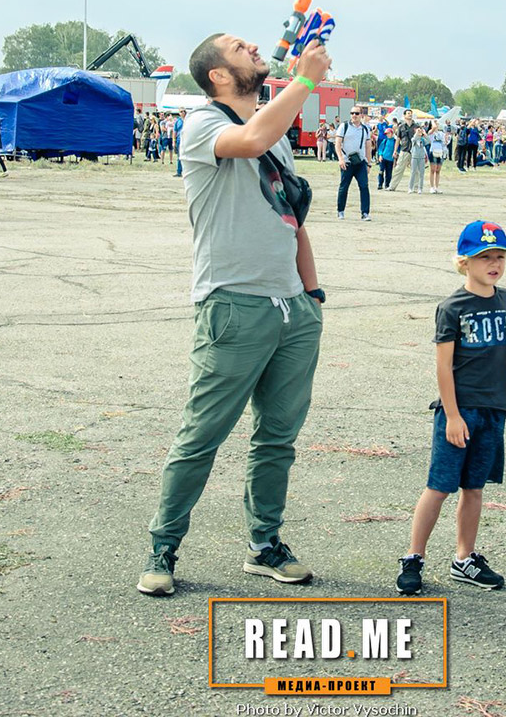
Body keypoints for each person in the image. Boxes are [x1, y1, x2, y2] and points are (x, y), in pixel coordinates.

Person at [136, 32, 330, 597]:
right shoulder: (202, 123)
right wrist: (306, 79)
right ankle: (162, 548)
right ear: (218, 75)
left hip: (292, 308)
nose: (253, 48)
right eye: (239, 47)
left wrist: (311, 296)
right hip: (233, 304)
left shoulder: (274, 132)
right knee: (202, 435)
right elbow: (250, 139)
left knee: (277, 439)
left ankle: (265, 545)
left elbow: (292, 218)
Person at [396, 220, 506, 595]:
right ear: (464, 262)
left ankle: (464, 558)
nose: (494, 264)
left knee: (475, 487)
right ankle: (414, 557)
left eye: (499, 257)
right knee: (439, 487)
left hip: (493, 409)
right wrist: (452, 415)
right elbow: (443, 364)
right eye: (484, 257)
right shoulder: (453, 307)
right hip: (460, 411)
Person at [334, 107, 372, 221]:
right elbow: (337, 144)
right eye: (352, 113)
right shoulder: (344, 126)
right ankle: (340, 211)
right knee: (344, 187)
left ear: (361, 115)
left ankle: (365, 213)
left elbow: (368, 146)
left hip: (361, 162)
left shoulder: (365, 129)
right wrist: (340, 159)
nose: (354, 115)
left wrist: (368, 163)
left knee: (364, 186)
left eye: (356, 113)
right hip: (347, 162)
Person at [387, 114, 415, 191]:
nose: (410, 114)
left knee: (416, 170)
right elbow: (398, 139)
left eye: (411, 113)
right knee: (398, 168)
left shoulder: (416, 126)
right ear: (404, 115)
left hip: (414, 150)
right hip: (404, 149)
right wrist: (395, 151)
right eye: (408, 113)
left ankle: (415, 188)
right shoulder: (401, 127)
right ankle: (392, 186)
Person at [375, 121, 397, 191]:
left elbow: (397, 150)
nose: (387, 135)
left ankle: (387, 185)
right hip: (383, 158)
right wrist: (380, 155)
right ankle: (380, 184)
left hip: (390, 159)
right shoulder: (384, 141)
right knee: (381, 171)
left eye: (388, 133)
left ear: (392, 133)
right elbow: (380, 149)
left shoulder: (395, 141)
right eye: (386, 134)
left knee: (389, 173)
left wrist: (395, 159)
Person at [408, 124, 428, 194]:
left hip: (421, 157)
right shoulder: (414, 138)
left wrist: (424, 134)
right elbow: (413, 139)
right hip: (414, 157)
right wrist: (417, 133)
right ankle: (410, 188)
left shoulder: (423, 139)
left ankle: (420, 188)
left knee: (421, 173)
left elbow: (428, 141)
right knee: (413, 172)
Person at [427, 123, 447, 194]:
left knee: (438, 170)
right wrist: (433, 122)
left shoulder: (441, 133)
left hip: (440, 151)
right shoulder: (431, 133)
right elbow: (433, 128)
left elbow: (444, 142)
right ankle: (431, 187)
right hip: (433, 151)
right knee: (433, 169)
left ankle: (436, 187)